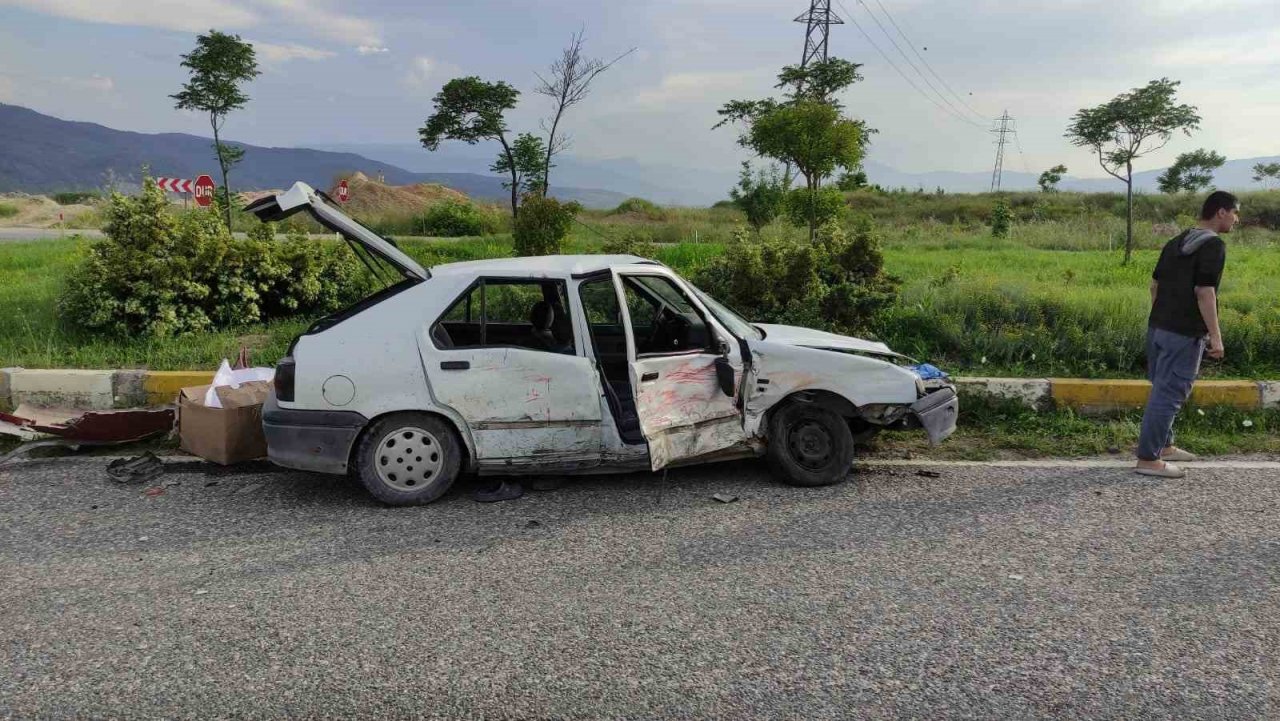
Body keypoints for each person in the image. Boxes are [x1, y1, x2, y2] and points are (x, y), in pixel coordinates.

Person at [1135, 191, 1239, 478]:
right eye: (1234, 213)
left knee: (1161, 388)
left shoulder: (1176, 241)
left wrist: (1161, 318)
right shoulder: (1213, 246)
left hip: (1157, 328)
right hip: (1182, 333)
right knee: (1169, 394)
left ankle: (1164, 446)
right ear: (1220, 212)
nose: (1236, 219)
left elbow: (1154, 286)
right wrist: (1216, 337)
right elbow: (1205, 292)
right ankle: (1149, 459)